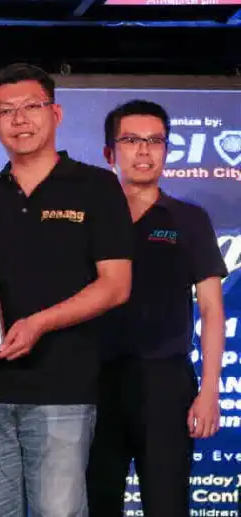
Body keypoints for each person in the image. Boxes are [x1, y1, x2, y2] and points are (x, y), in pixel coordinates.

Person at [0, 63, 133, 517]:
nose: (19, 119)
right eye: (6, 111)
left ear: (56, 113)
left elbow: (116, 286)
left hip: (62, 389)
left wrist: (39, 324)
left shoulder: (96, 187)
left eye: (31, 106)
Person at [86, 100, 227, 517]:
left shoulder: (189, 219)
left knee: (168, 505)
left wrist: (209, 391)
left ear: (166, 150)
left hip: (165, 383)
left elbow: (212, 309)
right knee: (94, 504)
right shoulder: (87, 220)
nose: (144, 151)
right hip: (91, 384)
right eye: (131, 140)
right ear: (110, 152)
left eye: (155, 141)